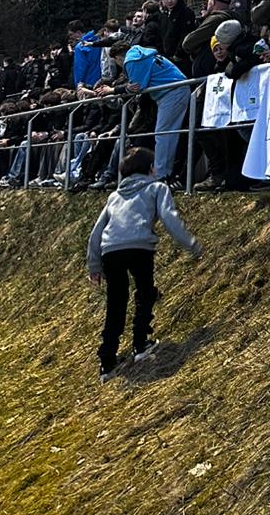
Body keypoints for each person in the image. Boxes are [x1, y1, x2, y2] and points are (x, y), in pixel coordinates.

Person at [86, 145, 202, 380]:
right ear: (150, 168)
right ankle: (141, 343)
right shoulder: (157, 188)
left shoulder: (114, 196)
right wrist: (191, 244)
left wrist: (94, 266)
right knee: (145, 294)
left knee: (116, 302)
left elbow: (96, 233)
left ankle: (107, 362)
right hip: (140, 246)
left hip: (111, 250)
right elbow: (170, 218)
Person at [115, 42, 192, 184]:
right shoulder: (143, 54)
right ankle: (162, 173)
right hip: (174, 91)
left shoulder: (132, 60)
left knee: (164, 134)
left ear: (118, 58)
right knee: (165, 133)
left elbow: (136, 87)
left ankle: (161, 175)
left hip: (172, 92)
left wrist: (114, 90)